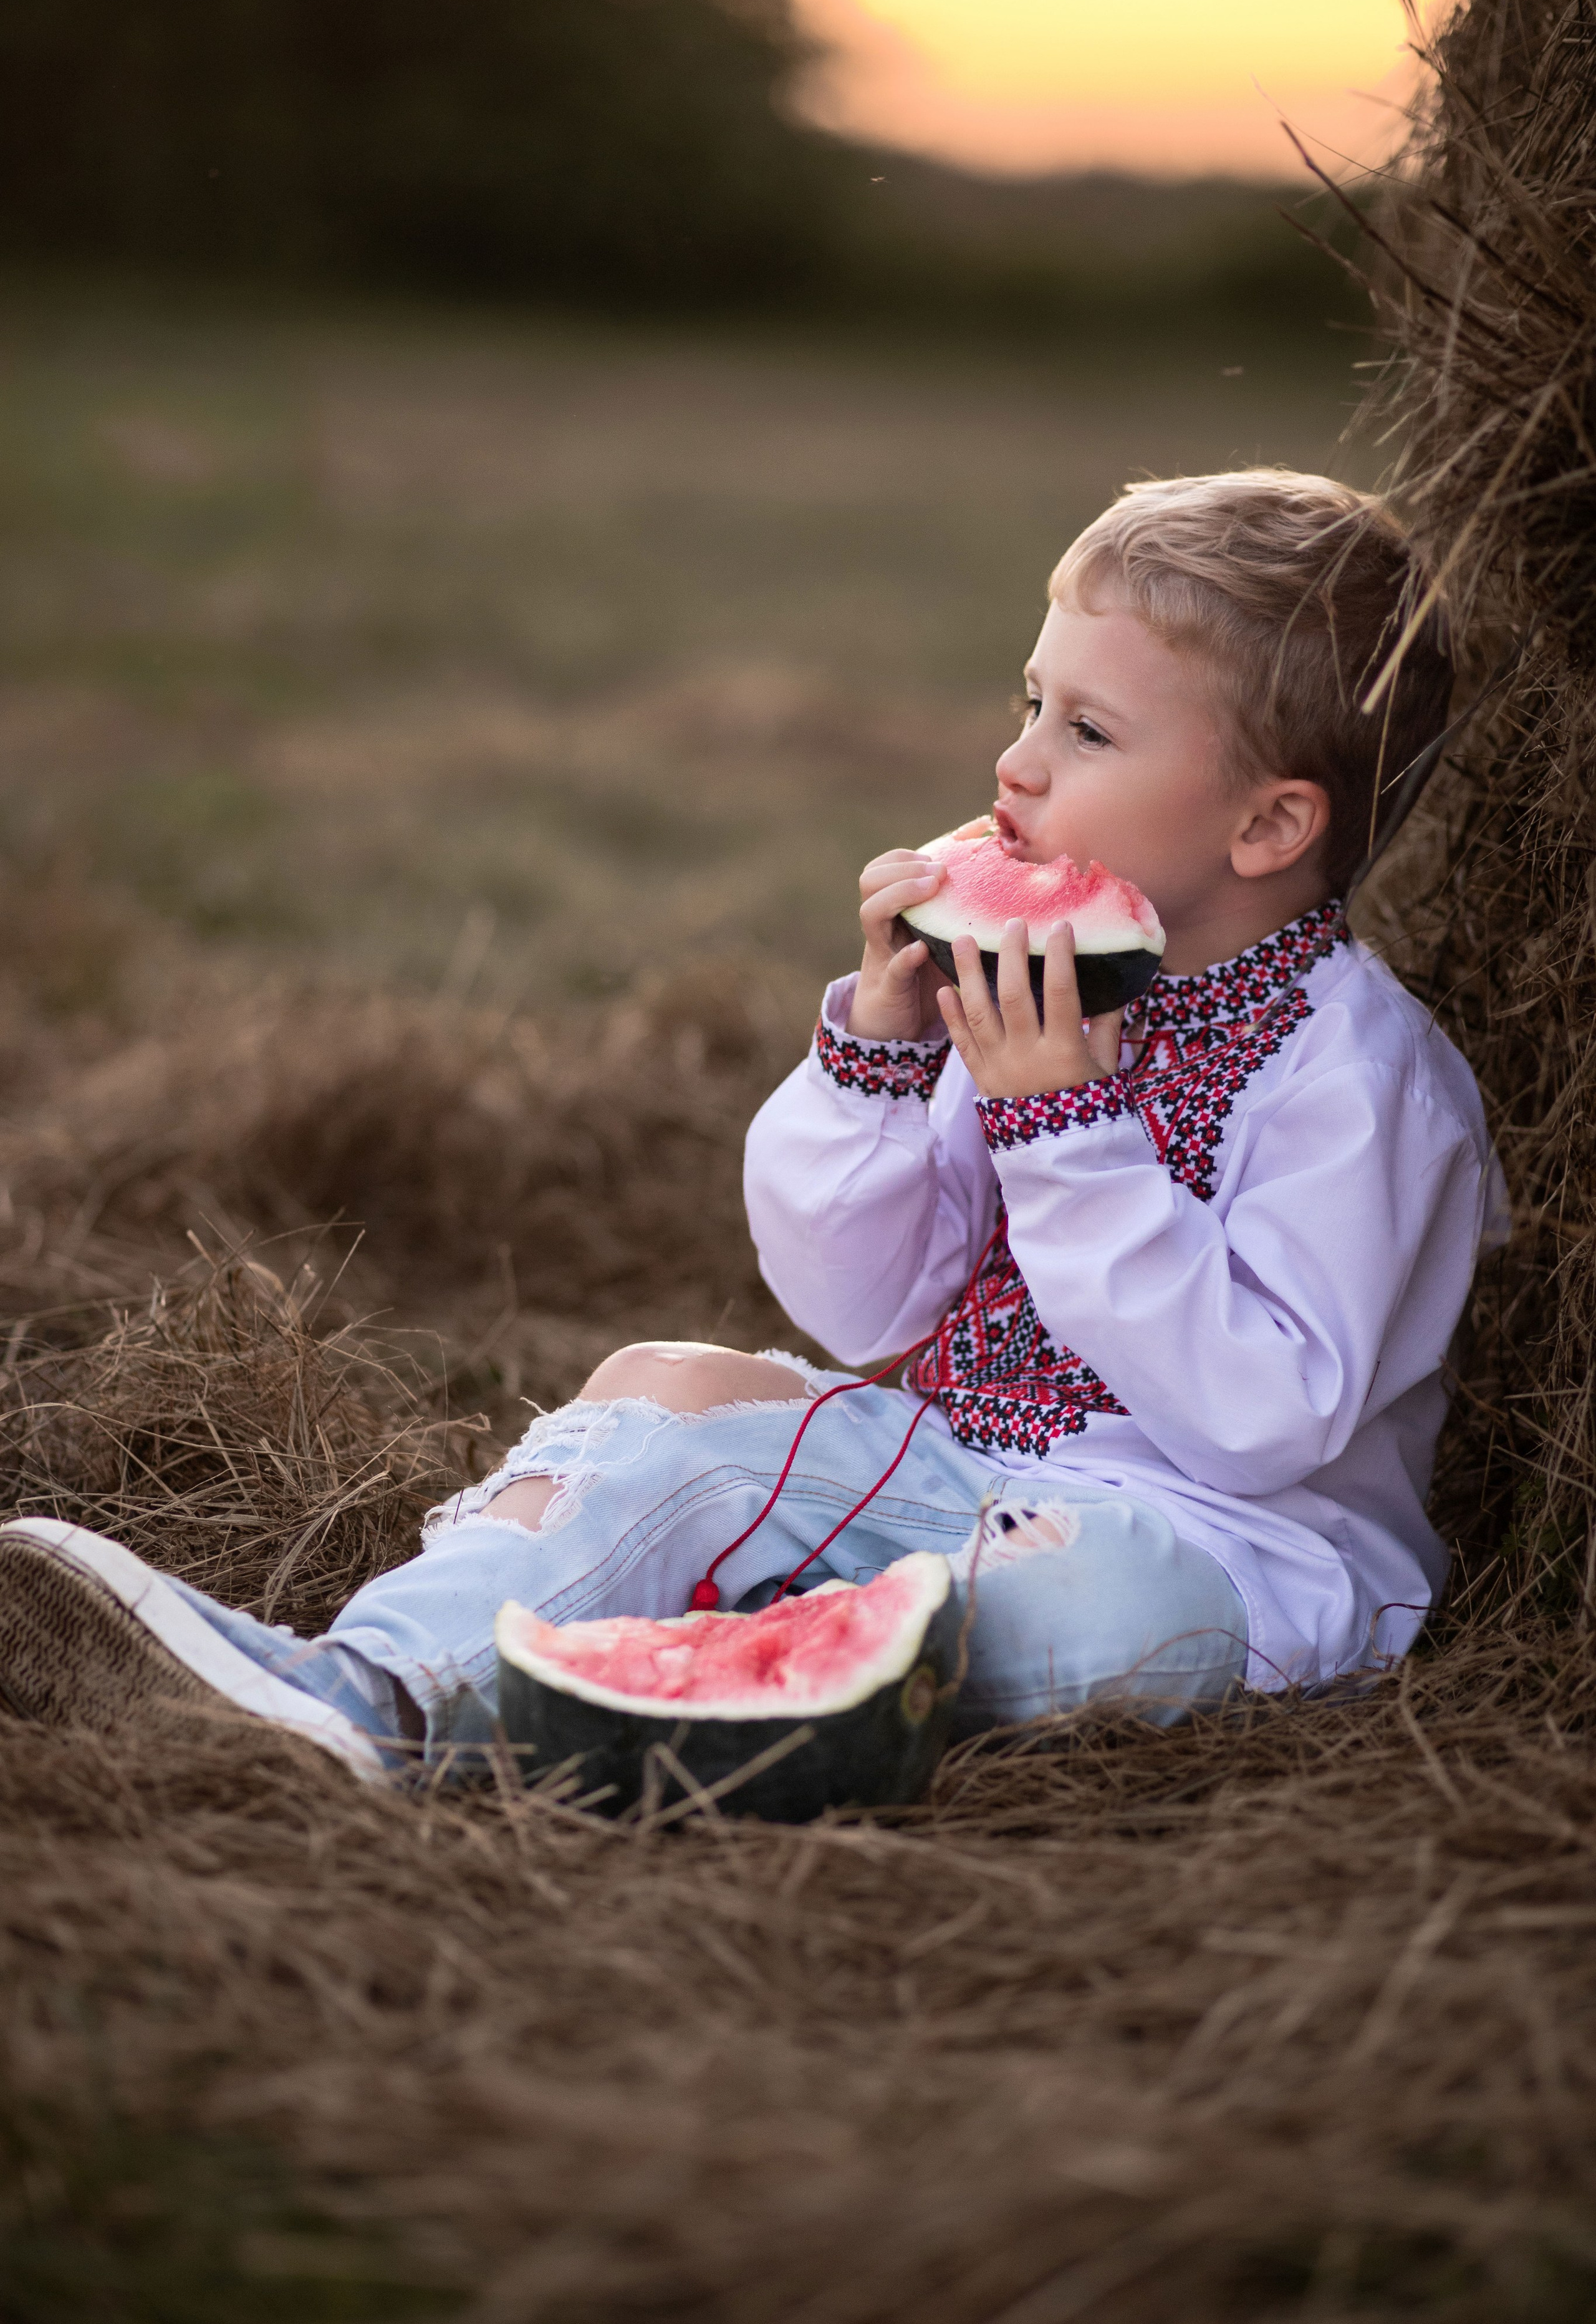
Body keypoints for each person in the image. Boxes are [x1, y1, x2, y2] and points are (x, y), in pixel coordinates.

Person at [0, 471, 1505, 1781]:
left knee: (1095, 1611)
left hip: (1226, 1564)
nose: (1016, 765)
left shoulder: (1361, 1082)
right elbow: (854, 1305)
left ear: (1265, 828)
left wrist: (1066, 1131)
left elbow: (1260, 1421)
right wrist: (875, 1056)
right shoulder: (1018, 979)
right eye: (1025, 702)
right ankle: (370, 1680)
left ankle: (670, 1674)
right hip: (962, 1472)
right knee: (669, 1382)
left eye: (1089, 731)